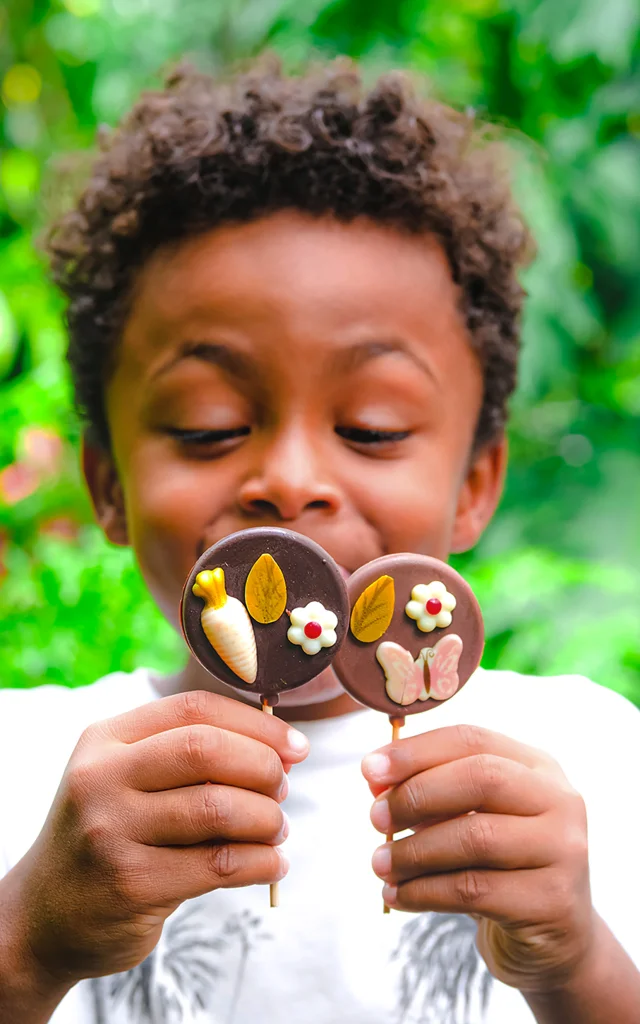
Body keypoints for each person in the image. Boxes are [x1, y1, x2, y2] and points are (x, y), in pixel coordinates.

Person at [0, 56, 639, 1024]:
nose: (290, 480)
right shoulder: (28, 767)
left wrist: (574, 960)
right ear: (107, 483)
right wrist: (29, 938)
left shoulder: (586, 759)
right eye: (210, 424)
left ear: (474, 485)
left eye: (373, 427)